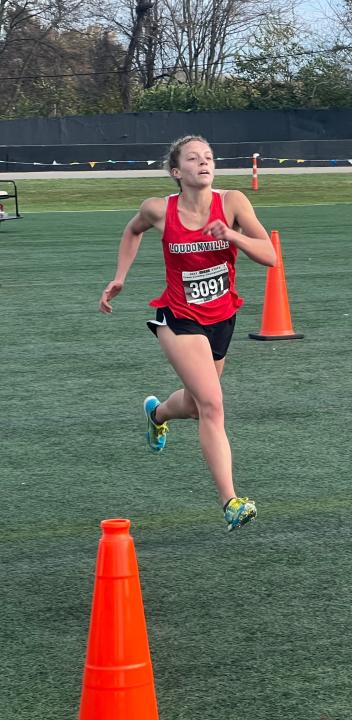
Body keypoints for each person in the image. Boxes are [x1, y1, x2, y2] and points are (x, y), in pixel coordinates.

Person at [99, 135, 276, 531]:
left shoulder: (232, 203)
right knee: (213, 405)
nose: (204, 162)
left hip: (222, 318)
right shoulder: (159, 209)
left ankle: (157, 413)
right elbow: (132, 231)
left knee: (197, 405)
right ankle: (231, 502)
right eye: (193, 158)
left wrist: (231, 235)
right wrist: (120, 278)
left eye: (209, 156)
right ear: (177, 172)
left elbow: (270, 256)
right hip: (178, 317)